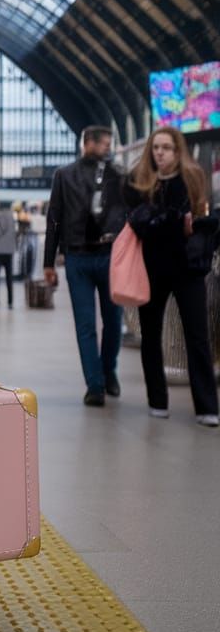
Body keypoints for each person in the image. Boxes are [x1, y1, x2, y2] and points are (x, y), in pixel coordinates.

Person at [124, 127, 219, 427]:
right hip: (151, 268)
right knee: (150, 335)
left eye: (166, 147)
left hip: (187, 268)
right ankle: (157, 401)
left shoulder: (193, 178)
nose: (160, 153)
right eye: (156, 148)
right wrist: (176, 222)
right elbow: (139, 222)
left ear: (178, 151)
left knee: (197, 335)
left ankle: (207, 407)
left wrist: (173, 222)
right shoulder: (140, 182)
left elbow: (203, 218)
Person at [43, 125, 127, 406]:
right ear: (87, 143)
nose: (108, 149)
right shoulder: (64, 175)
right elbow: (54, 219)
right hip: (77, 257)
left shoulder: (118, 175)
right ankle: (95, 385)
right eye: (104, 144)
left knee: (113, 320)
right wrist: (49, 263)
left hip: (110, 255)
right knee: (85, 324)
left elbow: (127, 214)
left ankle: (108, 370)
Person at [0, 202, 17, 309]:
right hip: (9, 250)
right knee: (9, 277)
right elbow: (14, 233)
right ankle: (10, 301)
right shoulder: (11, 217)